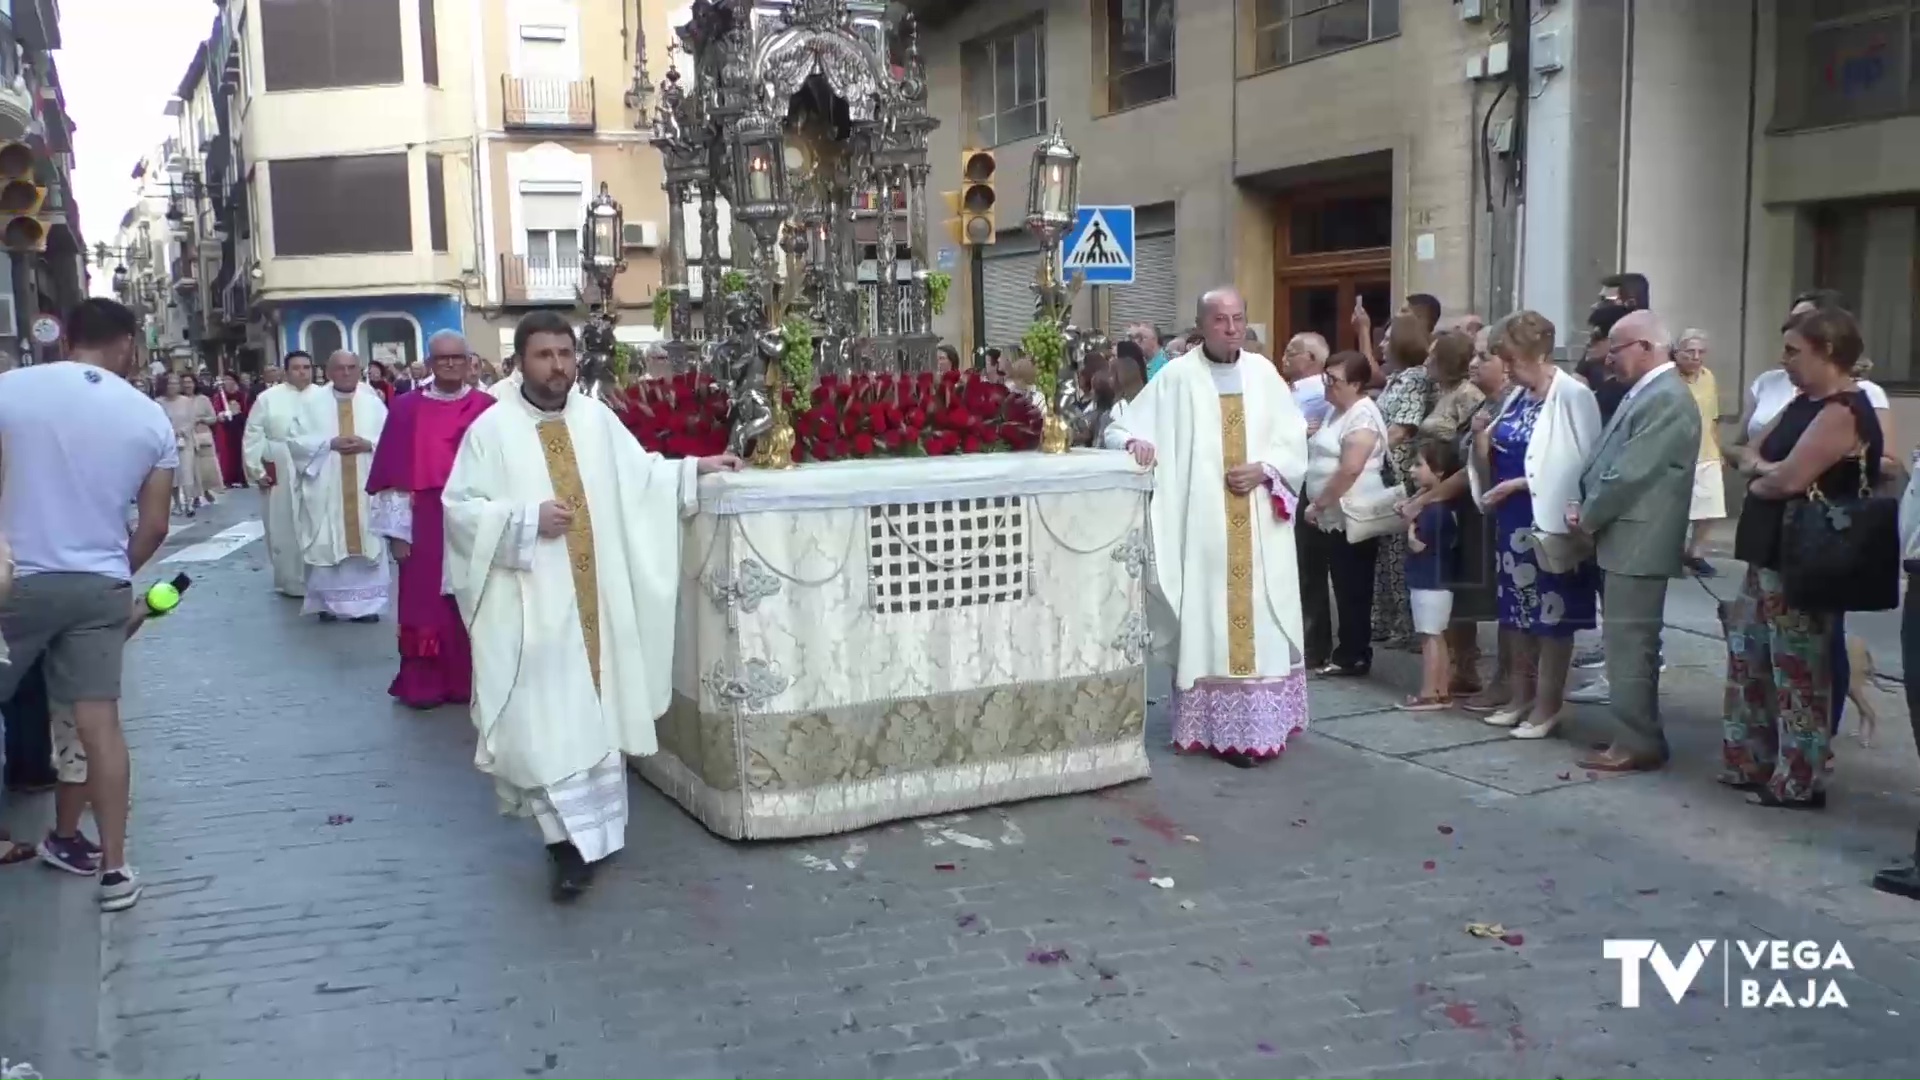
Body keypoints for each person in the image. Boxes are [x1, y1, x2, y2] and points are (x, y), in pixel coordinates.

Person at [442, 311, 743, 900]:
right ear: (518, 362)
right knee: (543, 724)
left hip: (597, 607)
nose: (558, 366)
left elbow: (640, 478)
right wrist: (526, 520)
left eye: (565, 354)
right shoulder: (492, 429)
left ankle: (595, 839)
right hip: (532, 610)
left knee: (594, 718)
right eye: (544, 355)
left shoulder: (595, 419)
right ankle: (563, 848)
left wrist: (694, 468)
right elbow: (460, 511)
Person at [0, 298, 176, 910]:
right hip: (97, 584)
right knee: (100, 725)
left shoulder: (10, 390)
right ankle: (116, 869)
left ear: (65, 336)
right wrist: (110, 574)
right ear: (127, 343)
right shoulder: (150, 417)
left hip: (13, 580)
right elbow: (154, 526)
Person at [1107, 287, 1310, 767]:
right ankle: (1216, 729)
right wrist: (1136, 441)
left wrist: (1265, 468)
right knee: (1208, 621)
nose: (1233, 328)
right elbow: (1122, 427)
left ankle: (1260, 726)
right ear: (1202, 325)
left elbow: (1293, 436)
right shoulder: (1178, 377)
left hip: (1258, 526)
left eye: (1239, 318)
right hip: (1202, 532)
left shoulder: (1263, 373)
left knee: (1259, 617)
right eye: (1221, 320)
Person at [1723, 307, 1881, 808]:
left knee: (1799, 672)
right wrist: (1767, 469)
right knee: (1750, 658)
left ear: (1828, 352)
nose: (1784, 360)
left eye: (1794, 351)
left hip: (1805, 558)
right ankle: (1752, 761)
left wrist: (1766, 470)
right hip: (1766, 550)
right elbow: (1747, 453)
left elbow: (1786, 480)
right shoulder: (1800, 402)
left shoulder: (1843, 409)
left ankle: (1798, 779)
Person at [1568, 310, 1699, 770]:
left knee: (1631, 643)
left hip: (1639, 541)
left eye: (1616, 349)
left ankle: (1637, 740)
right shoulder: (1648, 391)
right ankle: (1631, 733)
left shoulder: (1666, 396)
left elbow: (1630, 472)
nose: (1609, 359)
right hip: (1626, 537)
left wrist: (1587, 516)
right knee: (1625, 641)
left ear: (1646, 346)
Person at [1470, 311, 1601, 739]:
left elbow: (1586, 464)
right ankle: (1520, 697)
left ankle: (1548, 706)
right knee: (1517, 616)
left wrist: (1520, 484)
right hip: (1513, 524)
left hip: (1549, 523)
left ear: (1538, 353)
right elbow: (1502, 451)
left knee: (1551, 618)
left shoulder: (1573, 395)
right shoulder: (1518, 397)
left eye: (1511, 358)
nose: (1505, 367)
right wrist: (1482, 443)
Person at [366, 331, 497, 709]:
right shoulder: (407, 408)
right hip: (422, 517)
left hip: (475, 516)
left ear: (470, 360)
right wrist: (397, 534)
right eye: (443, 359)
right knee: (424, 602)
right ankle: (424, 683)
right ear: (430, 362)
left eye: (458, 357)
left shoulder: (488, 407)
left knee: (472, 598)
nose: (451, 364)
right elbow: (391, 472)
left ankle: (469, 680)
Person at [1298, 351, 1388, 676]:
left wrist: (1320, 503)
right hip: (1328, 516)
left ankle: (1354, 653)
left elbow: (1351, 467)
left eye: (1334, 381)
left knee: (1352, 585)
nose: (1327, 386)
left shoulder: (1362, 415)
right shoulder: (1335, 411)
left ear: (1356, 383)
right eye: (1326, 378)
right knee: (1332, 579)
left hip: (1350, 512)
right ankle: (1336, 649)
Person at [289, 351, 390, 623]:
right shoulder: (311, 403)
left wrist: (369, 445)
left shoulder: (374, 404)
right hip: (327, 485)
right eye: (340, 368)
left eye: (351, 368)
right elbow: (295, 441)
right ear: (329, 372)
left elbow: (391, 440)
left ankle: (367, 607)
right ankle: (327, 604)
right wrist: (327, 444)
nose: (346, 373)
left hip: (364, 483)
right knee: (326, 538)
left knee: (366, 536)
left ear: (360, 370)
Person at [1372, 315, 1434, 650]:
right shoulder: (1395, 378)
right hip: (1385, 473)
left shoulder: (1414, 378)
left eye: (1387, 339)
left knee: (1399, 553)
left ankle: (1408, 626)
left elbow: (1403, 427)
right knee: (1387, 554)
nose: (1382, 344)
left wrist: (1368, 449)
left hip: (1402, 474)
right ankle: (1389, 621)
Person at [243, 353, 320, 597]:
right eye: (296, 368)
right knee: (283, 521)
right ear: (286, 371)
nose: (302, 372)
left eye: (306, 367)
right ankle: (290, 579)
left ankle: (322, 577)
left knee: (317, 520)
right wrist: (257, 469)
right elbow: (254, 433)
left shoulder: (324, 396)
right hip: (281, 461)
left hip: (317, 462)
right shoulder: (267, 398)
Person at [1400, 439, 1462, 711]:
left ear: (1438, 472)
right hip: (1439, 580)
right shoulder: (1443, 506)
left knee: (1429, 637)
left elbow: (1418, 544)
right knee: (1437, 635)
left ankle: (1429, 692)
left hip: (1429, 580)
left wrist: (1409, 526)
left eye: (1418, 465)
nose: (1412, 471)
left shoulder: (1434, 509)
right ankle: (1441, 689)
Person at [1675, 329, 1724, 576]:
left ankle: (1695, 553)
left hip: (1707, 451)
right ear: (1677, 352)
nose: (1695, 357)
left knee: (1710, 508)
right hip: (1678, 453)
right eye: (1689, 351)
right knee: (1679, 509)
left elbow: (1713, 418)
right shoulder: (1670, 379)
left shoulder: (1708, 377)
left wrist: (1719, 449)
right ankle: (1674, 553)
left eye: (1700, 352)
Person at [160, 372, 218, 515]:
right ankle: (177, 503)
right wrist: (171, 432)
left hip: (185, 440)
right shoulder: (159, 402)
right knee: (172, 474)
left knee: (187, 472)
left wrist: (183, 430)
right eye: (169, 383)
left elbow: (191, 419)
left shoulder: (186, 401)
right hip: (167, 441)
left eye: (175, 383)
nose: (172, 386)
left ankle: (189, 502)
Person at [1281, 332, 1331, 431]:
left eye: (1290, 354)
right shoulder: (1285, 387)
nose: (1283, 359)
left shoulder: (1324, 392)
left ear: (1311, 357)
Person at [210, 373, 248, 488]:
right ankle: (227, 478)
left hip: (240, 425)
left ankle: (242, 477)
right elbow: (216, 409)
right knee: (227, 452)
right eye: (225, 379)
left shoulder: (242, 395)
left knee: (241, 451)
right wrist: (221, 414)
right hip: (225, 426)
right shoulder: (219, 396)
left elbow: (247, 409)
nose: (227, 382)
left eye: (230, 379)